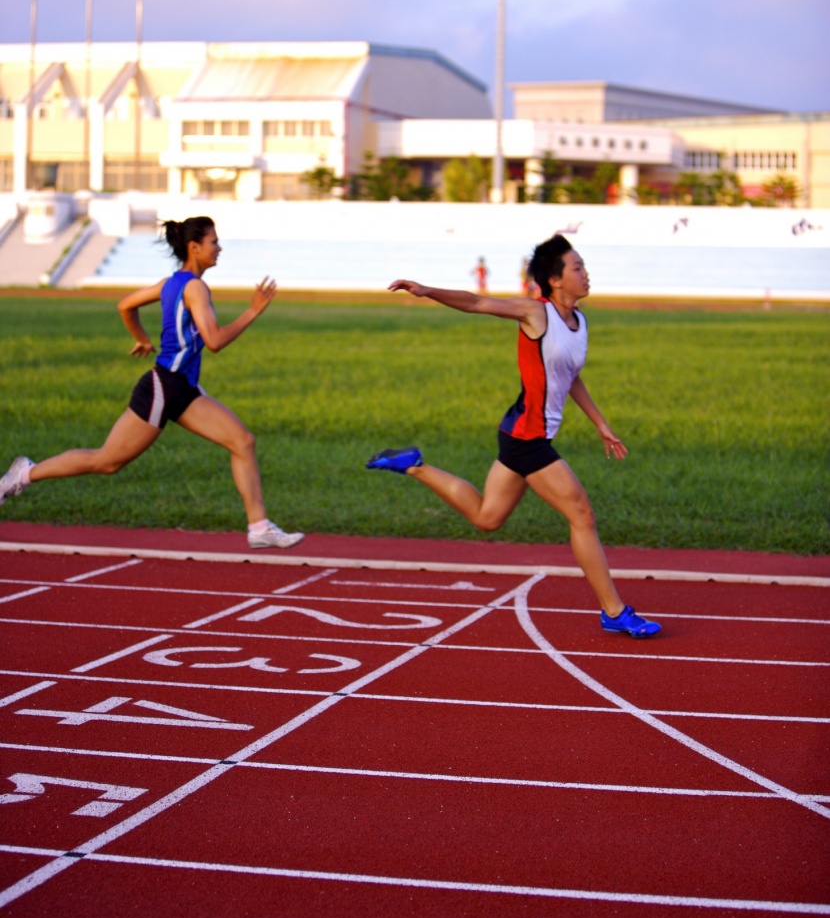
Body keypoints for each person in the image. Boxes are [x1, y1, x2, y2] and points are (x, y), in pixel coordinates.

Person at [366, 233, 660, 638]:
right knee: (581, 513)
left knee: (488, 517)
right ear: (554, 280)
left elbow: (570, 376)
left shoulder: (579, 322)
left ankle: (414, 465)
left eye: (583, 266)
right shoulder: (535, 313)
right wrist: (427, 290)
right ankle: (614, 611)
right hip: (527, 438)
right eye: (577, 267)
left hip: (523, 433)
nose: (585, 273)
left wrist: (600, 423)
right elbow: (477, 302)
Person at [0, 215, 303, 551]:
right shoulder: (195, 288)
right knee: (107, 461)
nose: (219, 248)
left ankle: (259, 527)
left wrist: (142, 338)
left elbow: (125, 305)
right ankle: (24, 473)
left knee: (242, 441)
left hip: (182, 389)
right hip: (164, 387)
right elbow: (214, 341)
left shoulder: (169, 283)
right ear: (194, 247)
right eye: (213, 242)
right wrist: (252, 311)